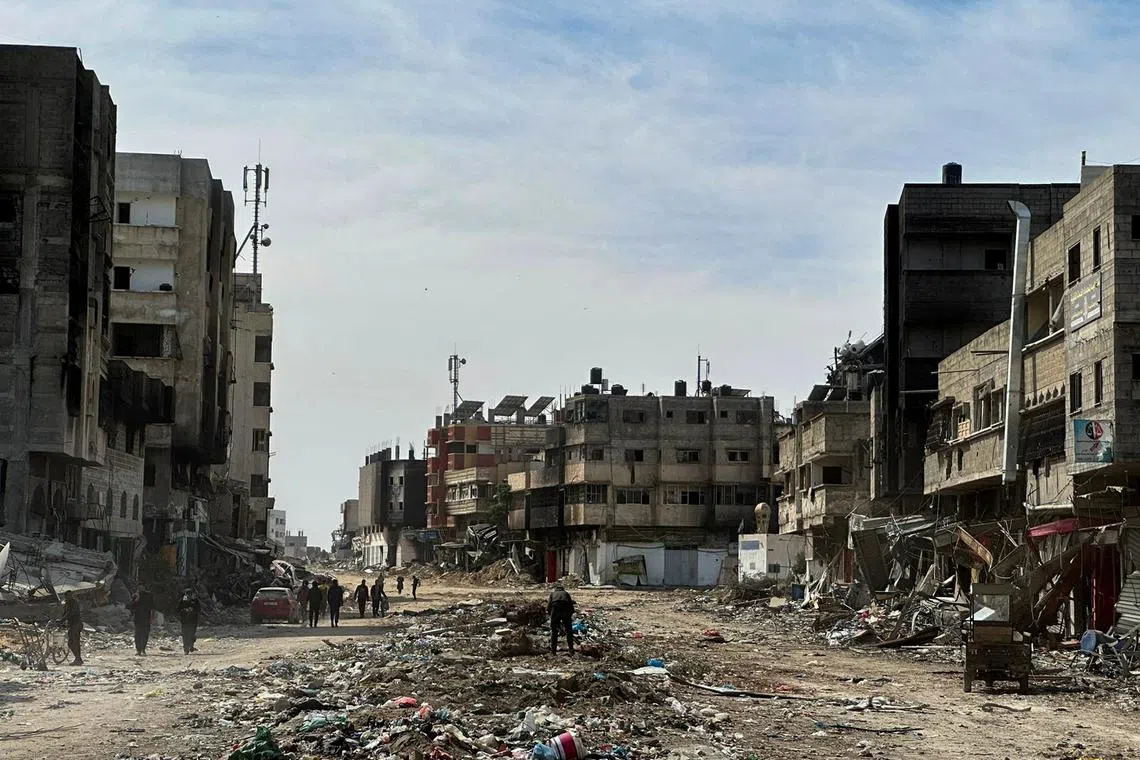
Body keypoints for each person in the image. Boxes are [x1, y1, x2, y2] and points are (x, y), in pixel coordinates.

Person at [127, 584, 155, 656]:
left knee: (145, 633)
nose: (140, 588)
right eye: (139, 587)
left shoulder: (149, 595)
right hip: (138, 618)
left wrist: (152, 617)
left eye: (141, 586)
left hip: (146, 617)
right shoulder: (135, 596)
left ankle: (143, 649)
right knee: (138, 634)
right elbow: (130, 606)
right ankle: (138, 649)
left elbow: (152, 607)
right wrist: (136, 600)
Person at [548, 583, 575, 655]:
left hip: (555, 609)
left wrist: (552, 617)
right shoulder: (566, 593)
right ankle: (571, 649)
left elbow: (549, 607)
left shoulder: (552, 594)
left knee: (554, 632)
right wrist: (568, 616)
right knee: (569, 631)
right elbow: (571, 607)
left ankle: (553, 651)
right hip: (565, 609)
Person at [60, 591, 83, 666]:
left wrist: (62, 620)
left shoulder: (74, 602)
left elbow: (70, 613)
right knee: (71, 643)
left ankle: (78, 659)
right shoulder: (67, 603)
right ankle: (78, 659)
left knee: (75, 643)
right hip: (71, 624)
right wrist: (61, 620)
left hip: (76, 624)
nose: (67, 598)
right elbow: (65, 613)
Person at [177, 588, 201, 654]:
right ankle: (186, 649)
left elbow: (198, 609)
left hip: (193, 620)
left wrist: (192, 609)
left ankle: (191, 646)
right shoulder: (182, 601)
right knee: (185, 635)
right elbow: (178, 609)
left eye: (190, 594)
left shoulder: (195, 600)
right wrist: (184, 610)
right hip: (185, 620)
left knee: (192, 634)